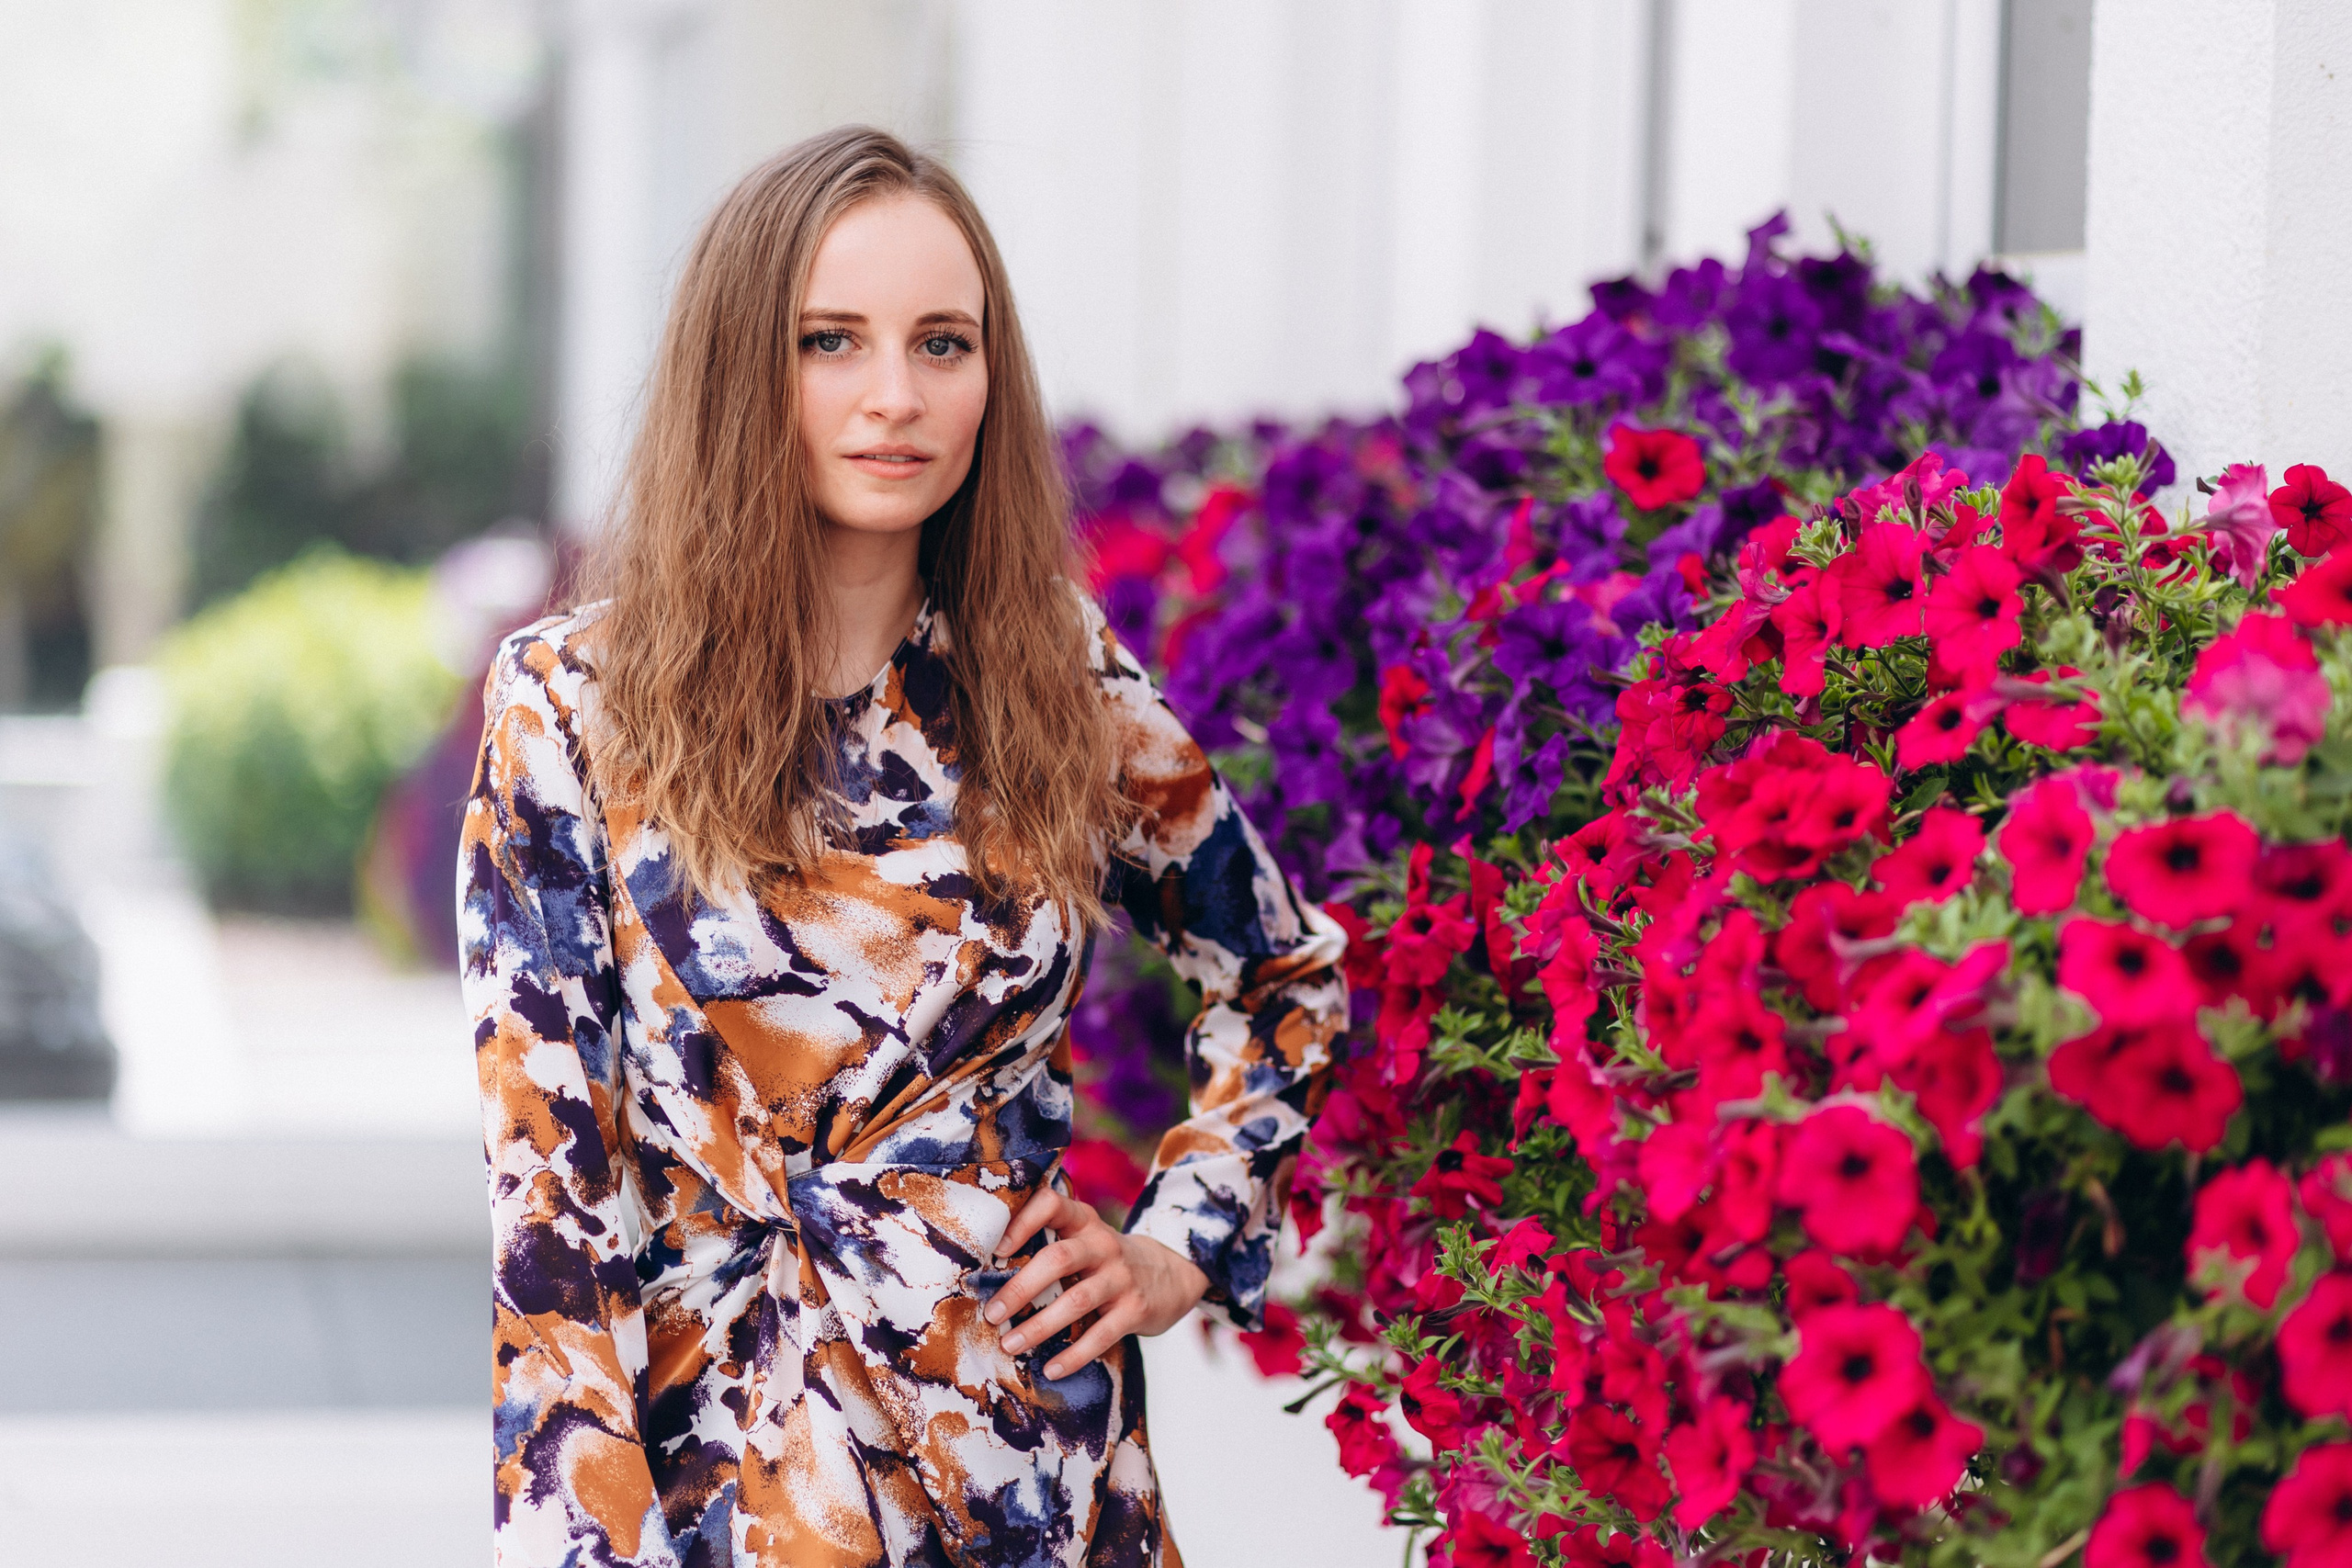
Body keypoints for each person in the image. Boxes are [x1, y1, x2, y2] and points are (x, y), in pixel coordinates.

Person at [458, 125, 1347, 1568]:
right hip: (731, 1483)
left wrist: (1176, 1241)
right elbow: (550, 1211)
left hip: (1030, 1473)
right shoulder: (574, 706)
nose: (895, 397)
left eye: (944, 344)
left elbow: (1283, 976)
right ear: (742, 371)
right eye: (830, 341)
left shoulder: (1058, 674)